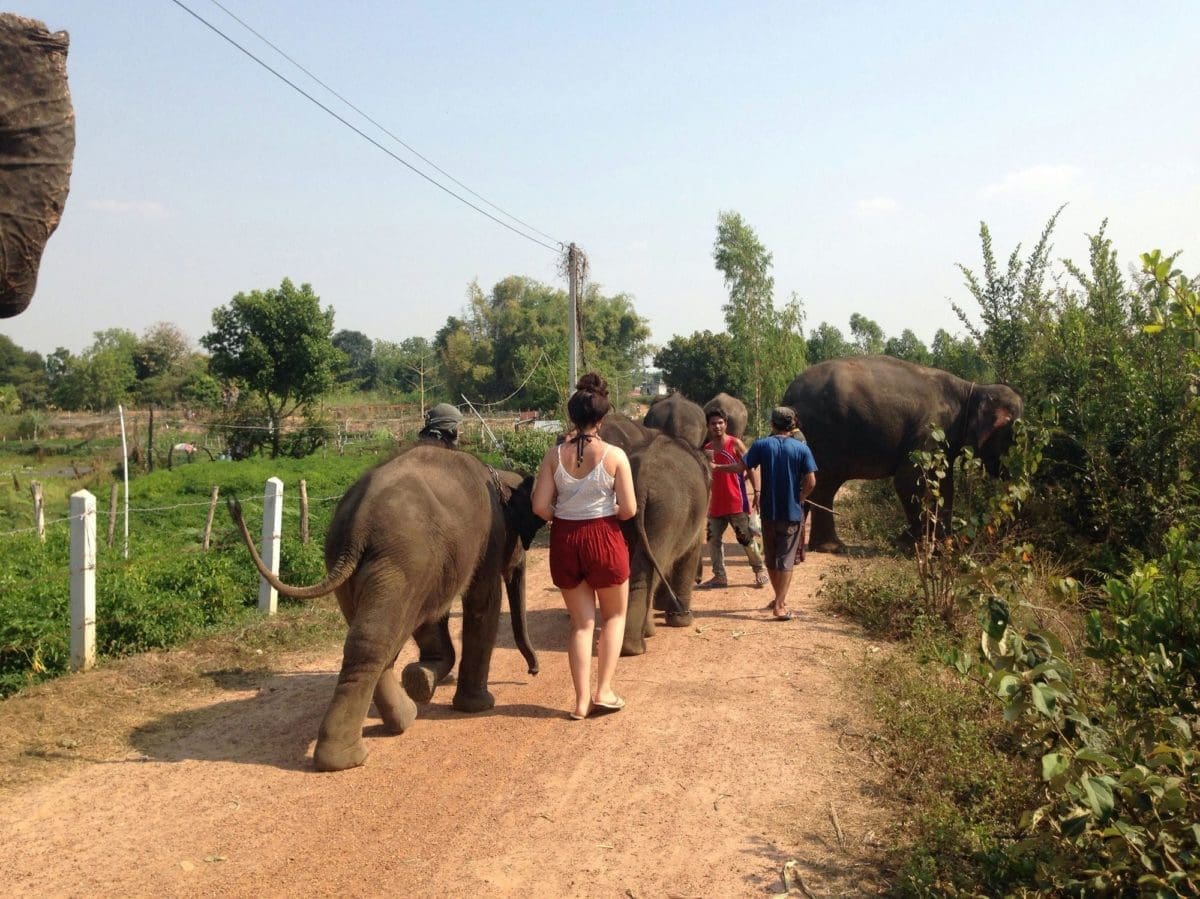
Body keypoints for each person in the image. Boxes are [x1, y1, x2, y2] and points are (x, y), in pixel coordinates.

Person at [533, 373, 637, 720]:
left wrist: (561, 516)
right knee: (614, 616)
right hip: (604, 536)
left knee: (581, 624)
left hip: (565, 538)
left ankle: (579, 703)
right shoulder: (615, 455)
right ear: (603, 418)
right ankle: (603, 691)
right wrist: (604, 512)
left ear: (571, 417)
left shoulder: (553, 454)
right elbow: (629, 509)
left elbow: (539, 506)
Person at [737, 406, 817, 620]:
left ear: (772, 424)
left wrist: (716, 467)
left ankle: (777, 599)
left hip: (769, 512)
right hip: (791, 513)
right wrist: (800, 499)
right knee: (786, 559)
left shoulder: (761, 445)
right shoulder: (801, 448)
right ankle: (780, 604)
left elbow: (740, 468)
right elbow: (811, 482)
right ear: (793, 425)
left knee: (772, 558)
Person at [701, 409, 769, 589]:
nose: (717, 426)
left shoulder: (735, 443)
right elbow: (707, 474)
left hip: (736, 501)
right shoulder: (707, 449)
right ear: (707, 426)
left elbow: (750, 467)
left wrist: (757, 491)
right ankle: (719, 576)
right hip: (715, 505)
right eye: (713, 423)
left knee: (746, 538)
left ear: (726, 424)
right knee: (712, 539)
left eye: (720, 422)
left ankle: (759, 569)